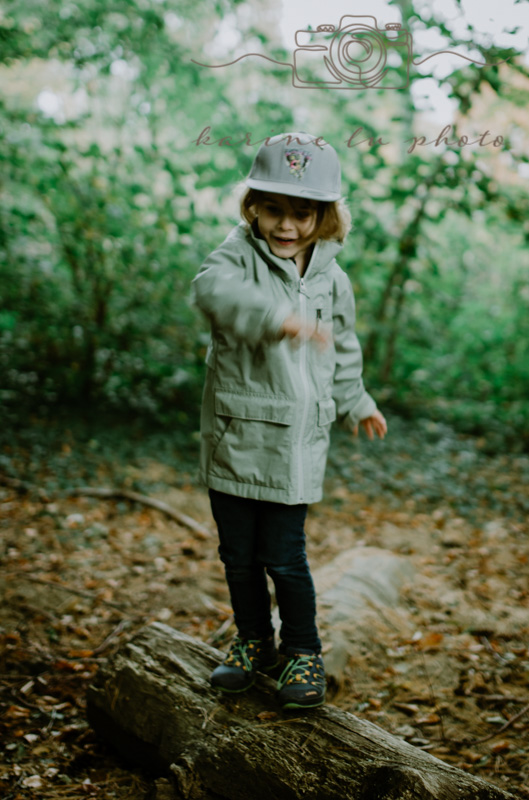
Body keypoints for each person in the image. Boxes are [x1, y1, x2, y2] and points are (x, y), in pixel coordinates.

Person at [192, 132, 387, 710]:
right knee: (238, 556)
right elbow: (212, 292)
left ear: (324, 216)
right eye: (273, 209)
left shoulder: (333, 280)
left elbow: (343, 347)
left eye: (301, 213)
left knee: (284, 557)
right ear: (252, 205)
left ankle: (303, 651)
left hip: (295, 444)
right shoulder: (234, 257)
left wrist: (357, 400)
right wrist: (277, 316)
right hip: (235, 435)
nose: (286, 225)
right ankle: (254, 642)